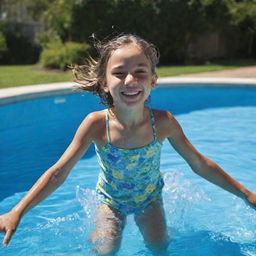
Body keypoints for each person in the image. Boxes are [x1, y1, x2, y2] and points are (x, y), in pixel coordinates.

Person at [0, 34, 256, 255]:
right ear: (104, 82)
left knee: (160, 247)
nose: (130, 80)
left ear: (153, 80)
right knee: (106, 248)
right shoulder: (96, 125)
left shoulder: (163, 122)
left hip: (150, 199)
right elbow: (58, 173)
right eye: (119, 73)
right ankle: (99, 233)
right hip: (111, 200)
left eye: (140, 72)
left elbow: (199, 164)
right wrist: (18, 211)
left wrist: (246, 194)